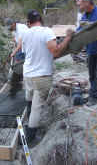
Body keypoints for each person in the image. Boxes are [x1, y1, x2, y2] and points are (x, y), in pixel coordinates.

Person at [21, 9, 73, 143]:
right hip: (42, 76)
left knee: (30, 98)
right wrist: (67, 38)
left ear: (28, 22)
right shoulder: (47, 32)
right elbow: (55, 52)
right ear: (40, 20)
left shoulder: (25, 34)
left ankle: (27, 122)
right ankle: (30, 137)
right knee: (36, 108)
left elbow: (27, 52)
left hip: (27, 74)